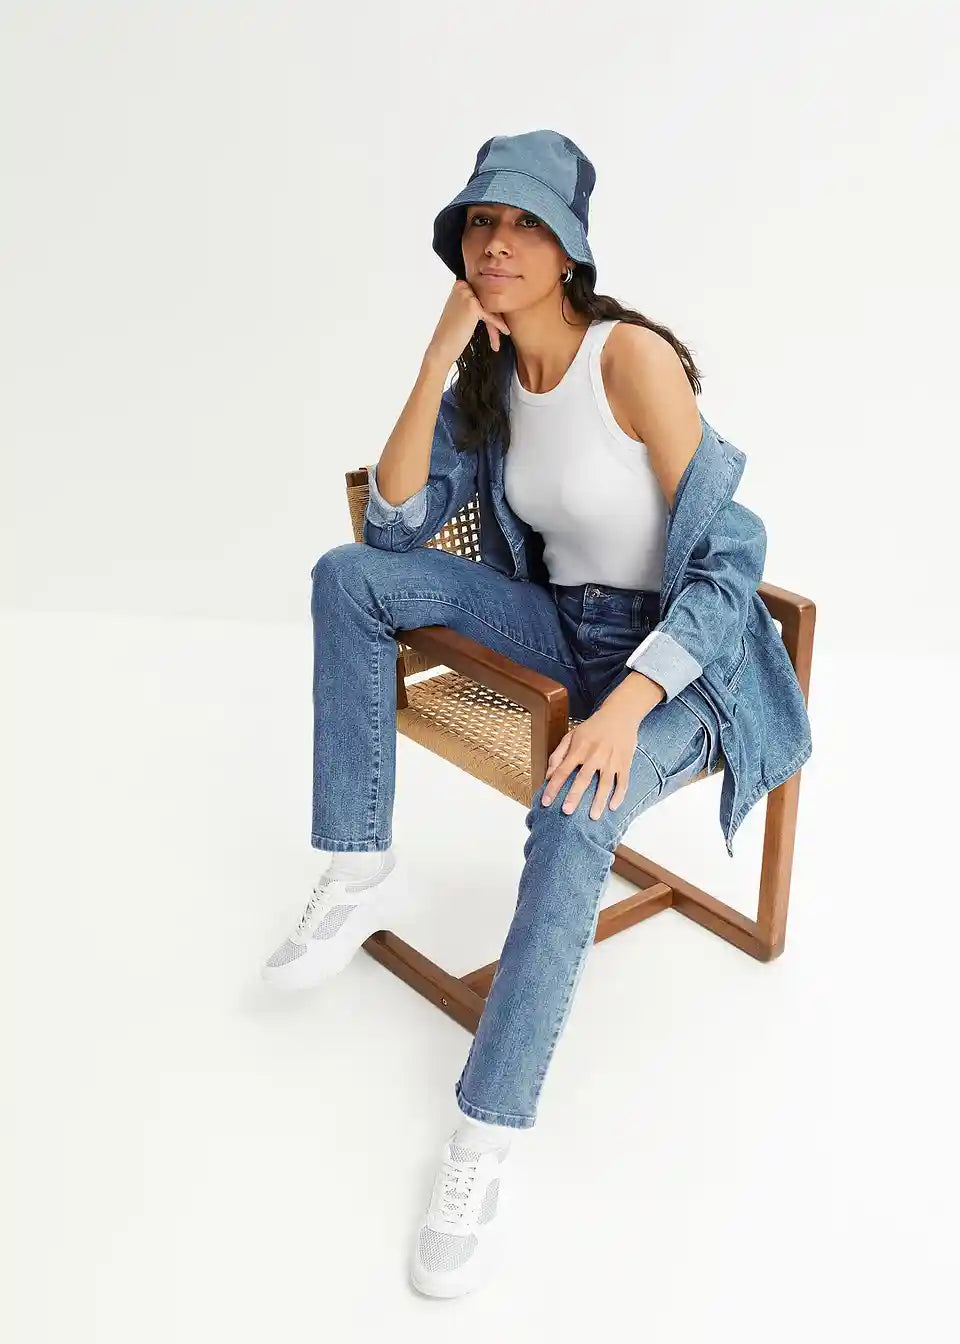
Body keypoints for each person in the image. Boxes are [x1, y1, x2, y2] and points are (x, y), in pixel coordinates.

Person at [260, 129, 813, 1298]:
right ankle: (357, 864)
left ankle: (484, 1137)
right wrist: (437, 354)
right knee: (346, 577)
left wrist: (626, 707)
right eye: (480, 223)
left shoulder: (632, 361)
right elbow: (391, 533)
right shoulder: (494, 379)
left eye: (523, 224)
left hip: (685, 665)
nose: (497, 243)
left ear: (570, 251)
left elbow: (731, 562)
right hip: (560, 628)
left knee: (573, 811)